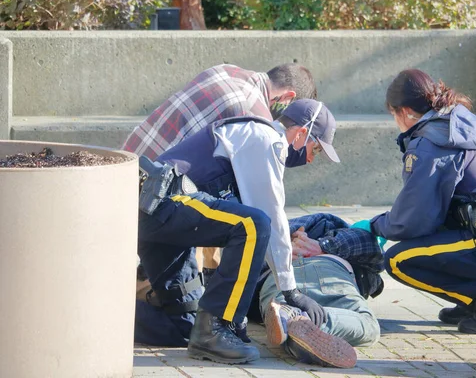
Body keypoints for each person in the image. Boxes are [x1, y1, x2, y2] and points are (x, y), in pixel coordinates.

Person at [352, 69, 476, 335]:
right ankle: (469, 299)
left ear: (402, 111)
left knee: (399, 259)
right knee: (434, 240)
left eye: (393, 115)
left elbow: (412, 220)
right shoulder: (460, 121)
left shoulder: (432, 143)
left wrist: (375, 226)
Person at [136, 99, 340, 364]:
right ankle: (217, 329)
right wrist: (291, 292)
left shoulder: (253, 141)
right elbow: (271, 216)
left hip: (166, 217)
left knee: (185, 327)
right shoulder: (265, 138)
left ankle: (97, 315)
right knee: (254, 225)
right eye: (317, 148)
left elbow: (220, 221)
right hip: (163, 204)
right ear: (302, 133)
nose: (312, 158)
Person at [124, 63, 318, 297]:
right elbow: (258, 205)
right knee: (245, 223)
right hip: (147, 204)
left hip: (126, 173)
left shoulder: (226, 71)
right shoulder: (253, 117)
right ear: (287, 97)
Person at [253, 213, 383, 368]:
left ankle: (292, 319)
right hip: (326, 273)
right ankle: (299, 321)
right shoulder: (328, 226)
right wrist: (282, 250)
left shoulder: (266, 234)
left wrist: (321, 246)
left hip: (279, 280)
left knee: (285, 331)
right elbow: (370, 244)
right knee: (368, 325)